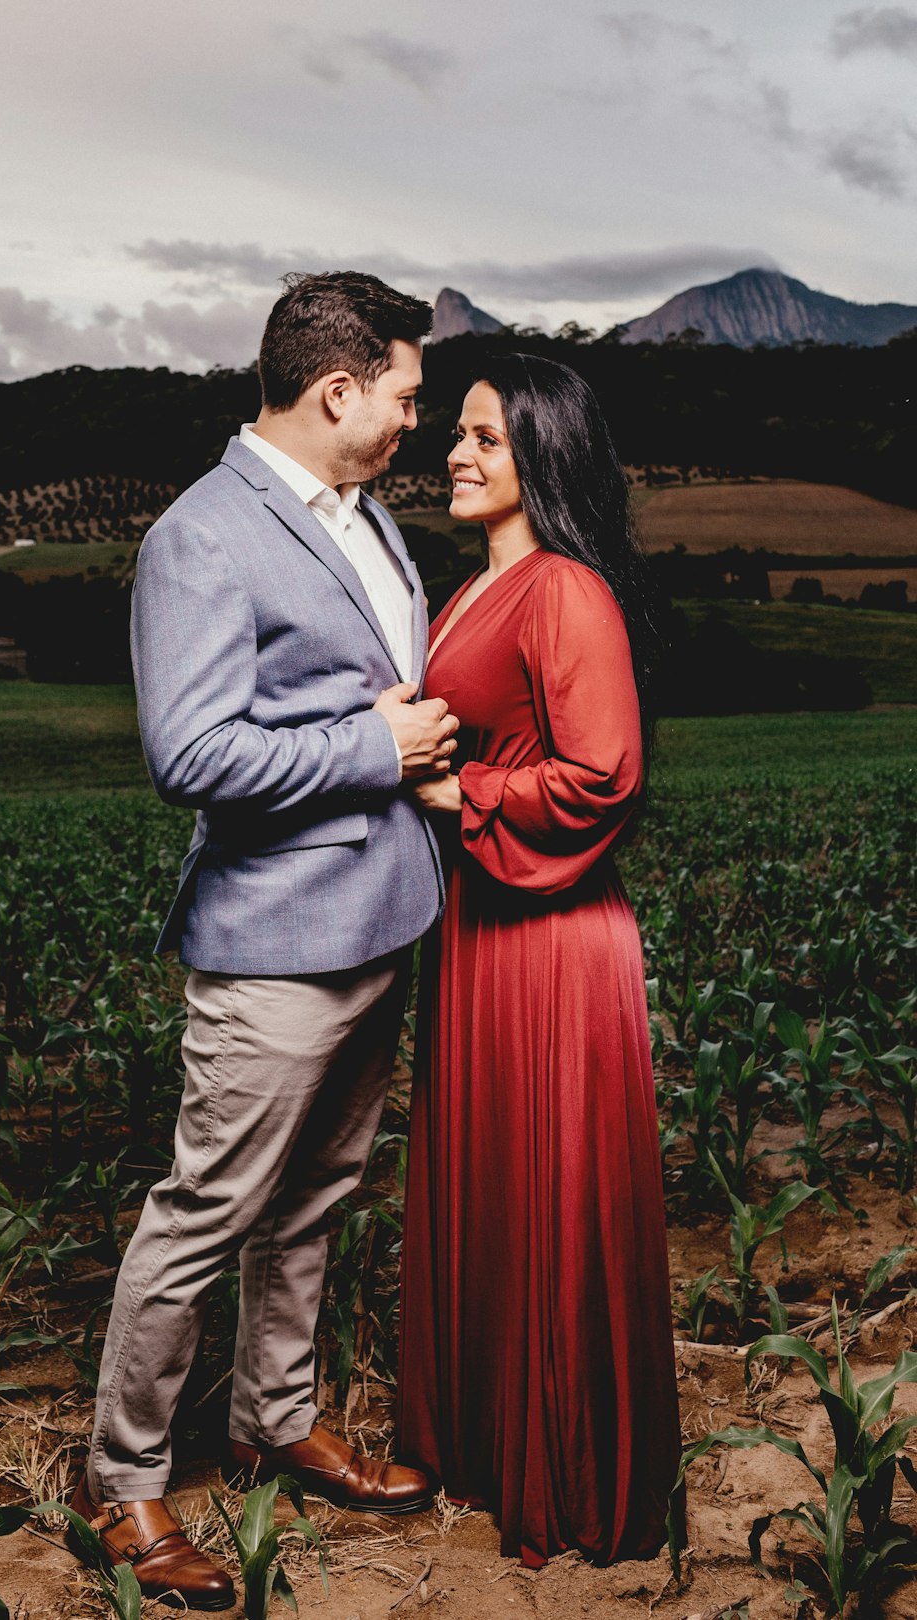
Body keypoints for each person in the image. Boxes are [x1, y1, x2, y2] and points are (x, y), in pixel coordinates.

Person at [71, 271, 460, 1610]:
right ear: (338, 388)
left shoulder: (367, 516)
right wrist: (379, 746)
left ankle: (275, 1420)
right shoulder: (201, 536)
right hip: (275, 941)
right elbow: (190, 750)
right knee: (204, 1216)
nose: (418, 420)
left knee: (315, 1201)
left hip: (383, 917)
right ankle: (123, 1487)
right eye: (406, 396)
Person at [397, 353, 681, 1568]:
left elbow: (604, 772)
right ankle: (485, 1445)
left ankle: (563, 1477)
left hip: (554, 942)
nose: (456, 455)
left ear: (540, 457)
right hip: (479, 931)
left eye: (483, 440)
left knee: (550, 1195)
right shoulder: (469, 592)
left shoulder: (565, 589)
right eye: (456, 435)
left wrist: (462, 790)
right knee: (496, 1183)